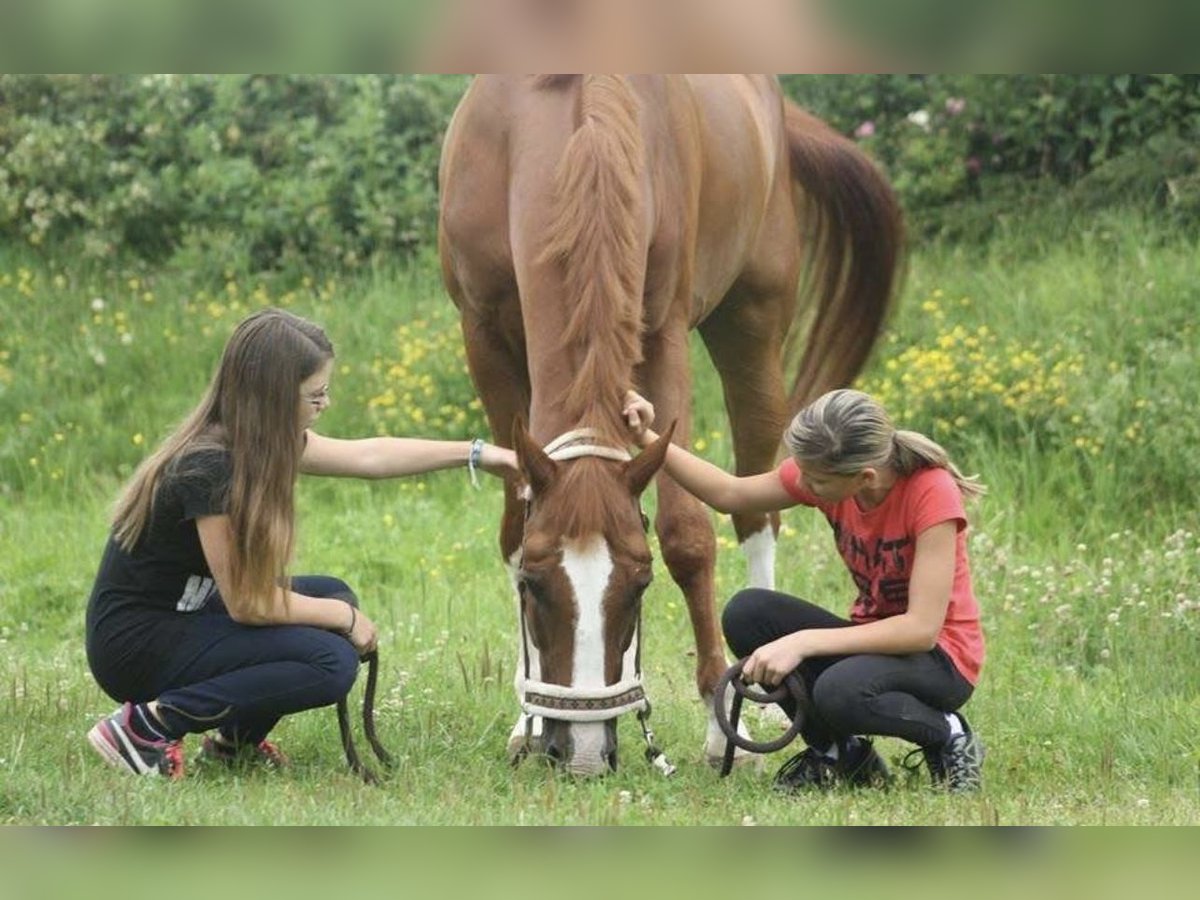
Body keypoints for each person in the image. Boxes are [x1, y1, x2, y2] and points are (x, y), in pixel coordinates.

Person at [86, 308, 517, 778]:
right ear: (272, 398)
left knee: (333, 593)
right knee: (330, 662)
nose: (325, 404)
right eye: (315, 395)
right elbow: (248, 603)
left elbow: (370, 456)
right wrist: (345, 620)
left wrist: (480, 454)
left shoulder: (257, 440)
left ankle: (234, 743)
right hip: (135, 646)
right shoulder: (208, 468)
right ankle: (147, 726)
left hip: (185, 616)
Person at [622, 387, 986, 793]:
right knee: (747, 613)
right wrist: (646, 439)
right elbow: (730, 494)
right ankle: (840, 754)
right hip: (874, 643)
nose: (804, 485)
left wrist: (801, 642)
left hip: (940, 659)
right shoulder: (829, 475)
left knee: (839, 692)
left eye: (816, 480)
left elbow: (921, 630)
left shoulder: (931, 492)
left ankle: (949, 733)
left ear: (864, 477)